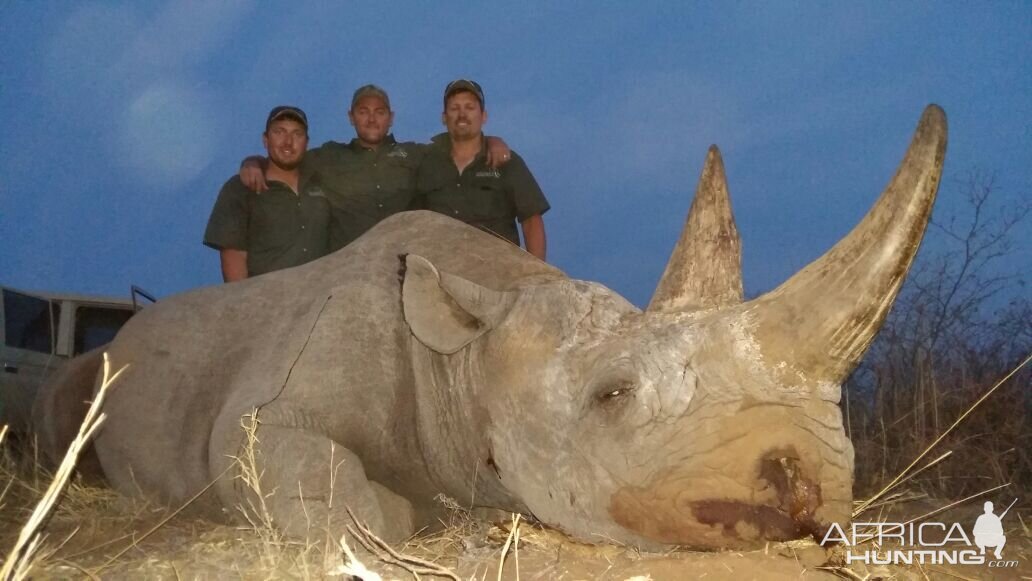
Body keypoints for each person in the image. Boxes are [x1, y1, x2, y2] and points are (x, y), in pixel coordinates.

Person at [240, 85, 512, 250]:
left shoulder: (416, 153)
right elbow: (287, 156)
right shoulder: (329, 156)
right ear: (351, 117)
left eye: (379, 112)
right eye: (363, 111)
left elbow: (460, 146)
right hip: (347, 269)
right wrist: (252, 162)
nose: (371, 119)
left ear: (390, 118)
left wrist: (492, 140)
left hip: (402, 267)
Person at [415, 79, 549, 260]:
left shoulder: (508, 162)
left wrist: (540, 274)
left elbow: (531, 220)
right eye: (454, 108)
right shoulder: (424, 160)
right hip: (439, 270)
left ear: (483, 116)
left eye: (470, 107)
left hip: (498, 272)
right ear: (444, 117)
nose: (462, 114)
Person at [204, 106, 330, 282]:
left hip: (320, 297)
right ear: (265, 139)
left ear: (306, 143)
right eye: (279, 132)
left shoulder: (322, 181)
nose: (288, 141)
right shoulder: (240, 189)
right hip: (268, 301)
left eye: (297, 134)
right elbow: (233, 257)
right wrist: (244, 304)